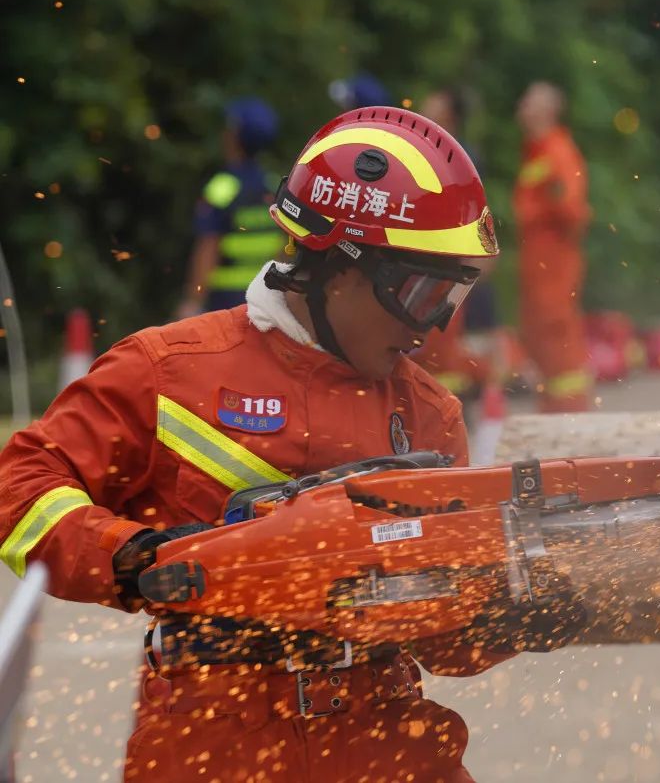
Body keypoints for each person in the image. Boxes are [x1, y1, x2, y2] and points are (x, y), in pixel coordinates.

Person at [0, 108, 582, 782]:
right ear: (338, 268)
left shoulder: (428, 415)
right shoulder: (168, 373)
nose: (432, 328)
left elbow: (441, 639)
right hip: (212, 744)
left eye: (449, 297)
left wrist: (512, 612)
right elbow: (21, 487)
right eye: (422, 292)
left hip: (387, 745)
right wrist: (130, 559)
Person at [412, 88, 498, 399]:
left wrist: (462, 288)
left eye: (433, 112)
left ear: (451, 120)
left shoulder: (463, 165)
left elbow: (481, 229)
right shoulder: (416, 159)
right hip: (420, 274)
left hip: (451, 276)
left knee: (451, 357)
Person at [513, 81, 593, 413]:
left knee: (558, 334)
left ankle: (570, 412)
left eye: (529, 102)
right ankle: (553, 410)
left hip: (554, 265)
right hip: (538, 264)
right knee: (540, 337)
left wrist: (545, 215)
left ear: (548, 110)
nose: (522, 107)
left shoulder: (557, 151)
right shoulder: (537, 153)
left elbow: (573, 210)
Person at [177, 97, 284, 318]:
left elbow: (208, 245)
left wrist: (192, 301)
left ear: (234, 136)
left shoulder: (222, 188)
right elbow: (284, 248)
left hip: (222, 304)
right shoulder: (275, 187)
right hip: (264, 302)